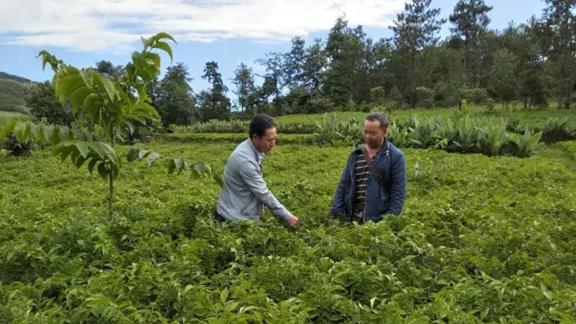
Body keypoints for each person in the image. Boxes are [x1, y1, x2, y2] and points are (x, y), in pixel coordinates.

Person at [216, 114, 299, 228]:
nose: (273, 144)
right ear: (255, 137)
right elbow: (262, 193)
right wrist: (288, 216)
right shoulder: (244, 160)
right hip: (236, 218)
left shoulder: (252, 148)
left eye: (275, 139)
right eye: (269, 140)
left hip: (240, 211)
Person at [330, 112, 406, 222]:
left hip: (376, 221)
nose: (368, 136)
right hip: (351, 219)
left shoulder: (395, 156)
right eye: (365, 132)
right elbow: (344, 184)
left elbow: (398, 192)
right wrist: (337, 211)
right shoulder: (356, 153)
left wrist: (389, 221)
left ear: (384, 132)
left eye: (373, 133)